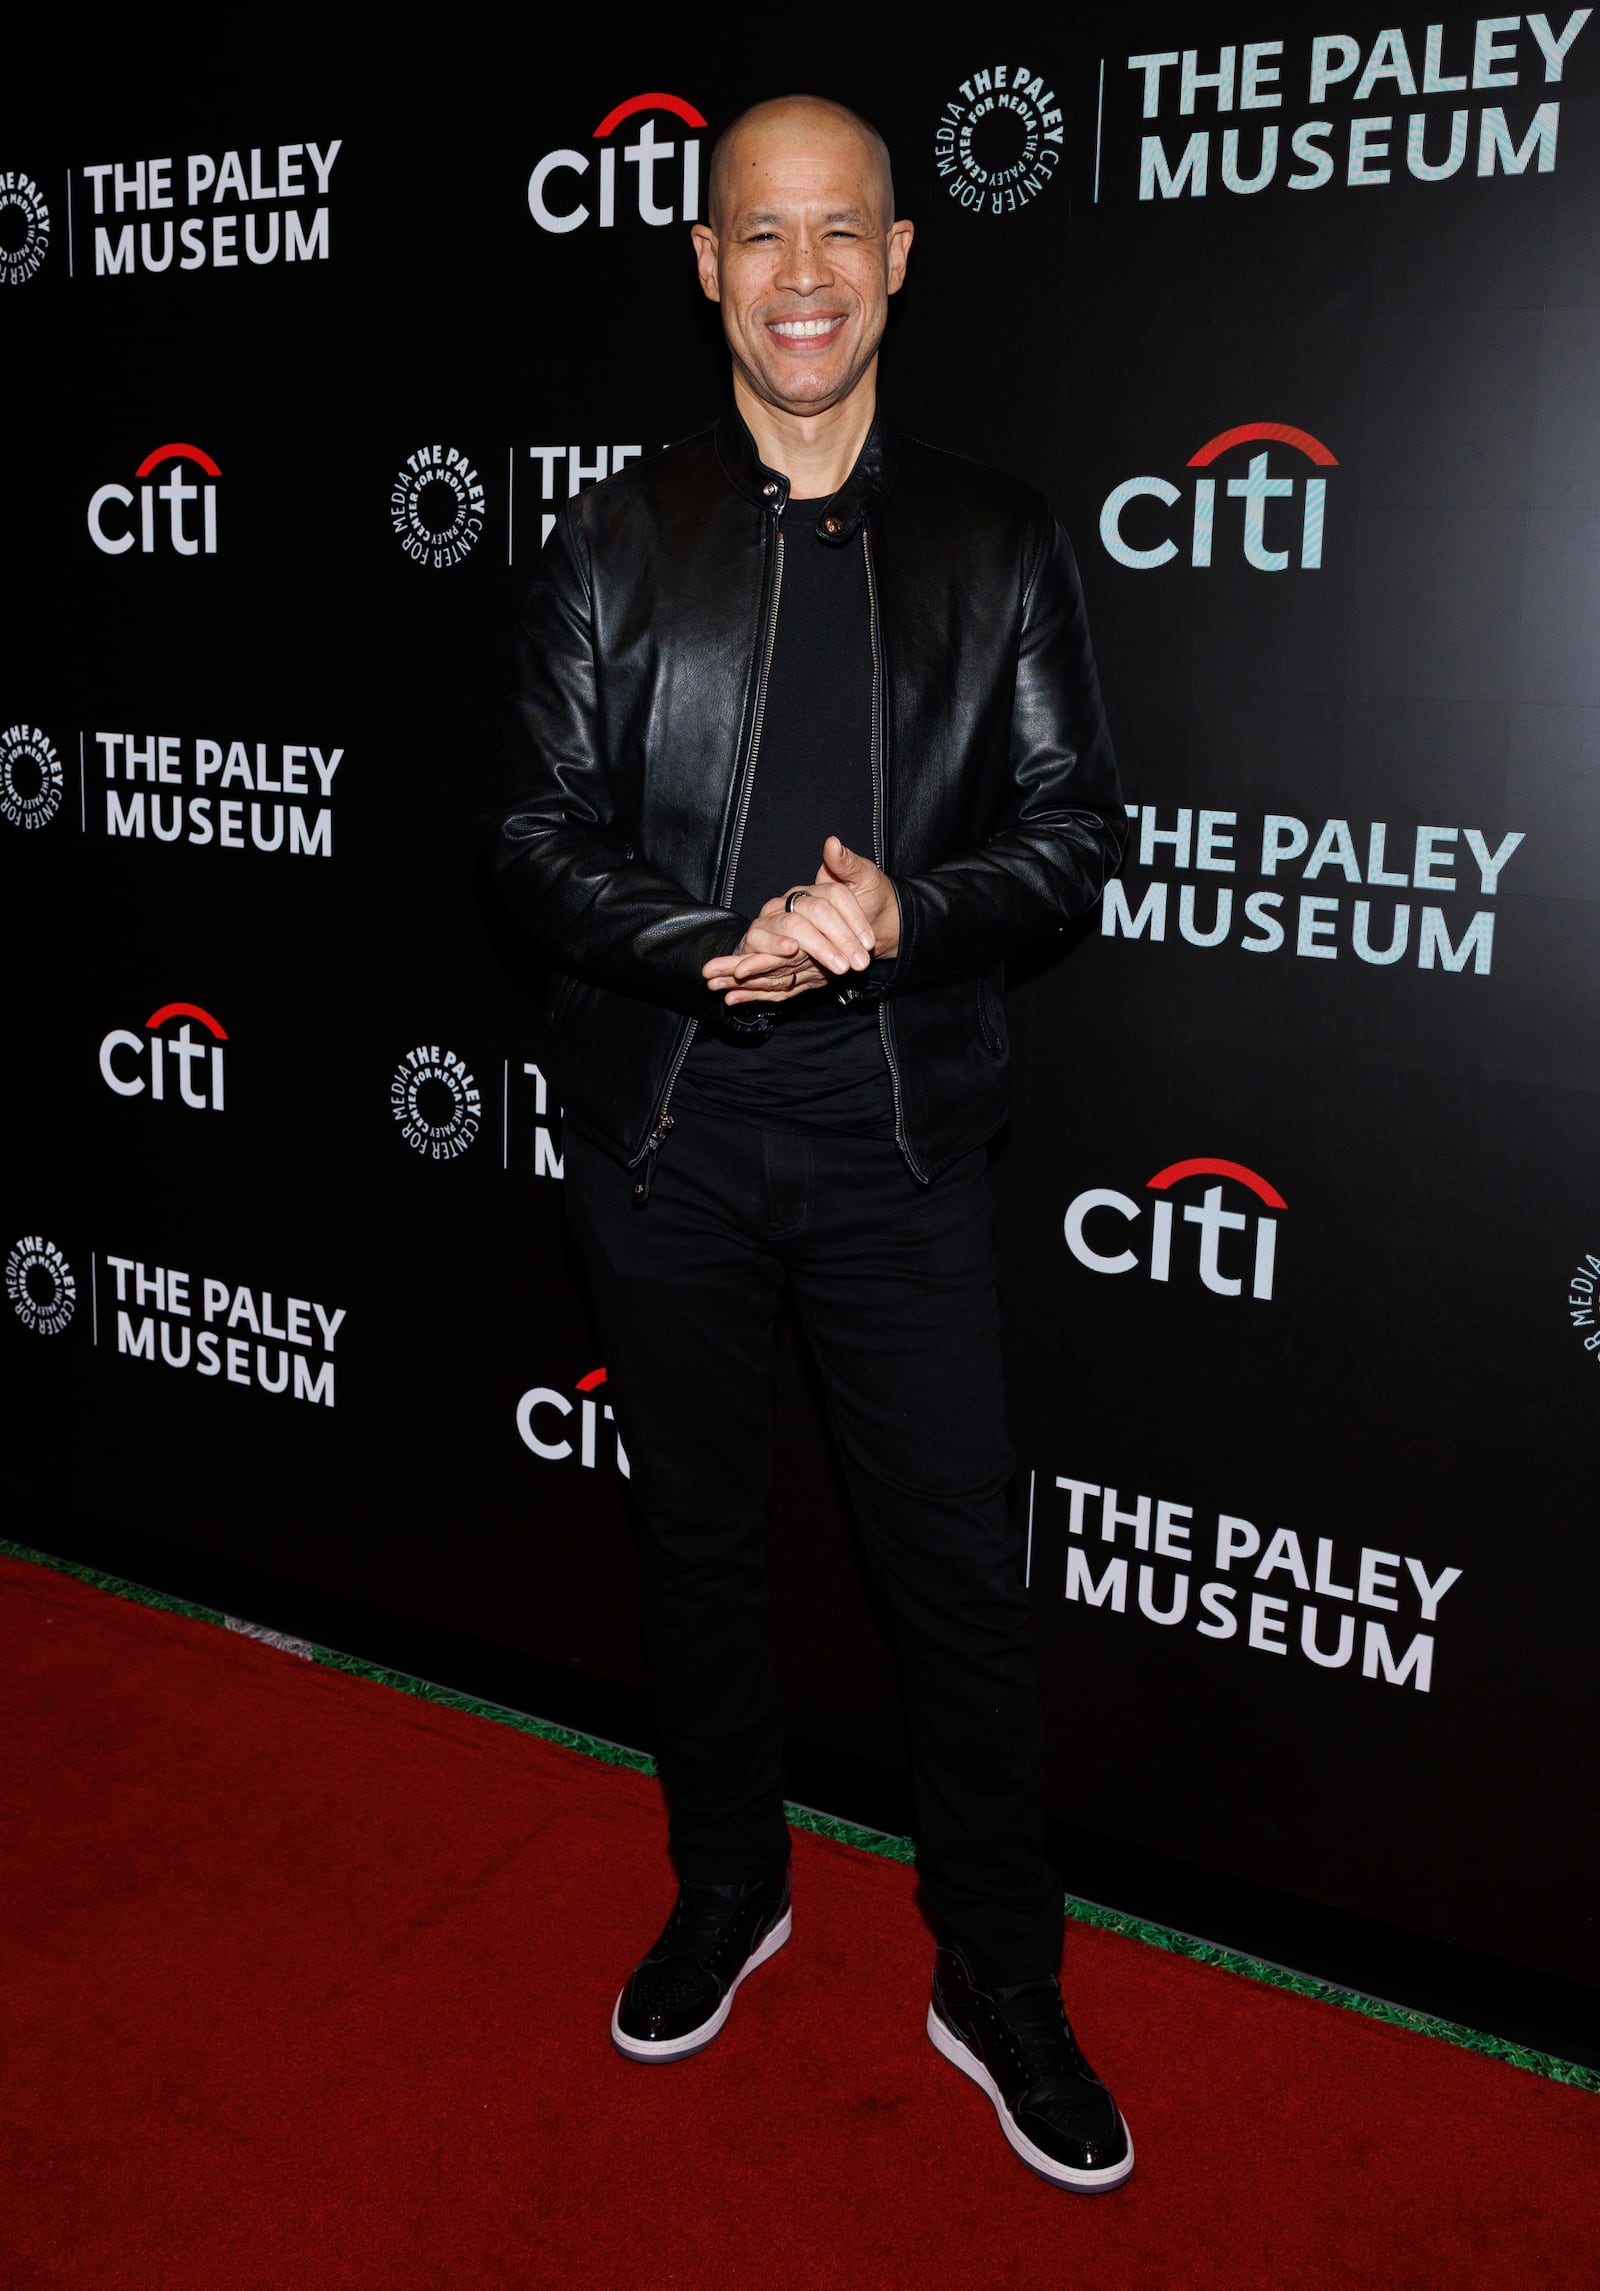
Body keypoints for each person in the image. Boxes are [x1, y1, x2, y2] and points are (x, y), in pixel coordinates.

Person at [493, 93, 1131, 2192]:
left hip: (897, 1152)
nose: (797, 274)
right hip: (666, 1143)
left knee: (954, 1578)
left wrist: (897, 915)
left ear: (900, 251)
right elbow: (530, 843)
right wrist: (703, 949)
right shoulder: (611, 538)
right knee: (691, 1553)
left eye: (835, 230)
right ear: (700, 262)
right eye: (756, 234)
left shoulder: (995, 532)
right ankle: (725, 1885)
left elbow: (1066, 839)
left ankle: (996, 1973)